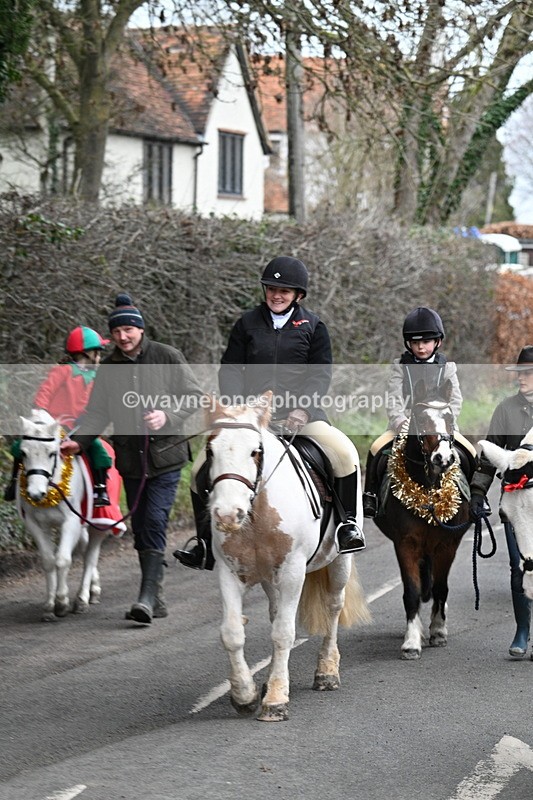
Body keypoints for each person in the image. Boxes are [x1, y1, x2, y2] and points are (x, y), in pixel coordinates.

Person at [174, 255, 366, 571]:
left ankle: (347, 526)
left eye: (285, 291)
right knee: (199, 469)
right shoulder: (246, 324)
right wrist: (237, 409)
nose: (277, 295)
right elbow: (232, 368)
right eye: (272, 289)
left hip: (301, 417)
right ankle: (205, 543)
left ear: (298, 295)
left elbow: (320, 374)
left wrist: (303, 408)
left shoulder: (314, 327)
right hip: (251, 419)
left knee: (344, 453)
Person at [60, 293, 204, 624]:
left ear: (140, 329)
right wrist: (77, 442)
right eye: (118, 331)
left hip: (166, 456)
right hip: (129, 460)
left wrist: (167, 415)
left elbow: (195, 396)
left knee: (154, 520)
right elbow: (96, 414)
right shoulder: (108, 368)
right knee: (140, 526)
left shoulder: (166, 355)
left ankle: (146, 598)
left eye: (129, 329)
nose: (123, 337)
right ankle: (156, 594)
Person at [362, 306, 470, 518]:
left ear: (437, 342)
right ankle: (370, 496)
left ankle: (476, 497)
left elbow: (455, 400)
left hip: (440, 424)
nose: (421, 347)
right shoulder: (399, 366)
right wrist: (400, 420)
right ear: (408, 343)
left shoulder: (448, 367)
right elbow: (393, 397)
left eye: (426, 342)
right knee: (375, 449)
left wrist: (445, 422)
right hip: (406, 424)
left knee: (470, 453)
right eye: (415, 342)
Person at [469, 345, 533, 659]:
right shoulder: (505, 409)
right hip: (516, 504)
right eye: (520, 372)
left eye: (528, 373)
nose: (522, 378)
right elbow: (488, 456)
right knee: (519, 567)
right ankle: (522, 630)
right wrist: (478, 493)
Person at [4, 325, 112, 507]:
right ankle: (14, 481)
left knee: (98, 448)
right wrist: (40, 410)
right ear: (86, 353)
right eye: (97, 352)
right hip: (54, 424)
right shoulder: (63, 370)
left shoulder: (98, 377)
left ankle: (100, 489)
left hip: (80, 426)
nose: (100, 356)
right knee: (21, 445)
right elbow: (46, 390)